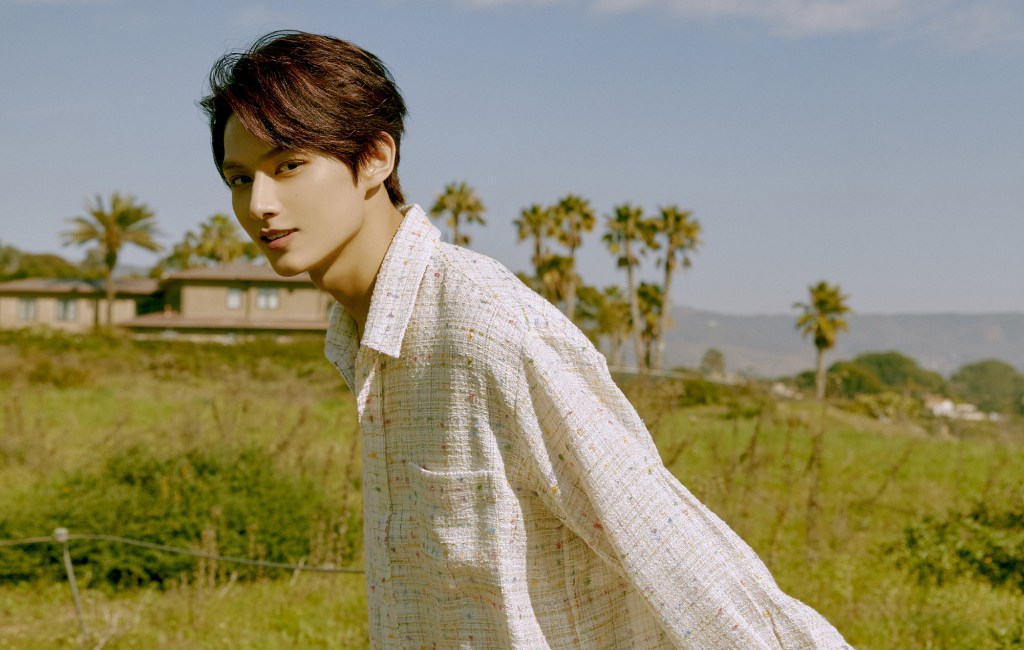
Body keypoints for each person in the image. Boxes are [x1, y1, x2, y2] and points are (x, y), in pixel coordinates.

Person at [201, 30, 852, 649]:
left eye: (289, 166)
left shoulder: (482, 327)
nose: (259, 205)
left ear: (375, 159)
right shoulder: (364, 334)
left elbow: (668, 544)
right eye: (240, 178)